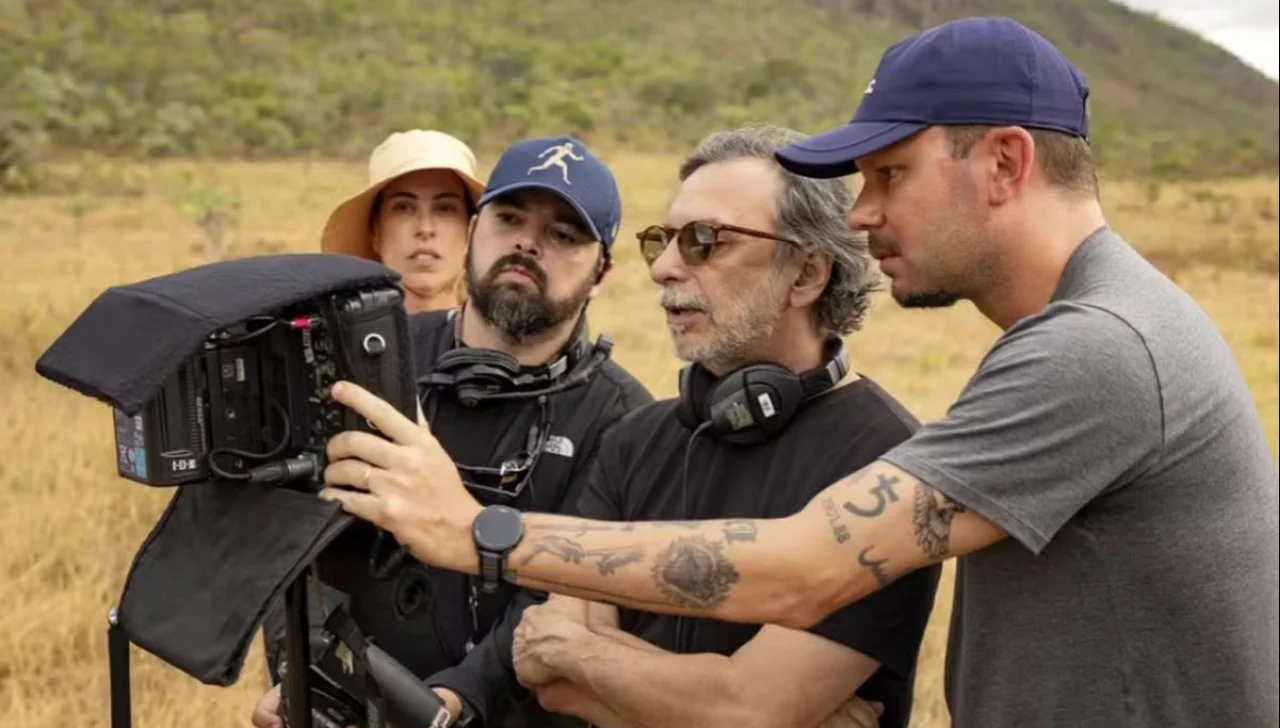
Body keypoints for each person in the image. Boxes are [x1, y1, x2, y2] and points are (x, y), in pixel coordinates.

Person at [315, 16, 1279, 728]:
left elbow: (802, 571)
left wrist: (476, 531)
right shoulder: (1077, 330)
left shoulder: (1099, 347)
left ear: (1003, 163)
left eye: (891, 175)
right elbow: (548, 669)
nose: (861, 212)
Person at [502, 125, 940, 728]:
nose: (665, 270)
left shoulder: (888, 462)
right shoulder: (636, 438)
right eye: (664, 241)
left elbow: (749, 708)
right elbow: (547, 677)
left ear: (807, 275)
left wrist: (584, 655)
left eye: (705, 241)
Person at [252, 135, 653, 728]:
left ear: (602, 274)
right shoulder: (371, 359)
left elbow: (564, 598)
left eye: (563, 235)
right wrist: (303, 672)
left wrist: (453, 702)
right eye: (509, 218)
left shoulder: (624, 421)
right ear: (474, 232)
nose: (526, 242)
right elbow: (288, 536)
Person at [321, 128, 485, 313]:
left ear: (470, 230)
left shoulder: (501, 338)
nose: (425, 228)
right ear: (374, 231)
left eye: (445, 208)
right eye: (403, 208)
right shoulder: (338, 339)